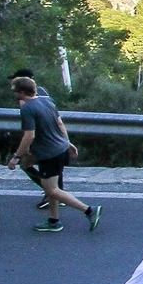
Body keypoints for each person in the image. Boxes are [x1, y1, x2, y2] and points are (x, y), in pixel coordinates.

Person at [7, 75, 101, 232]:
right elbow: (59, 123)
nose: (14, 94)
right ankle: (53, 221)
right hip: (60, 149)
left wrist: (16, 156)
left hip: (49, 154)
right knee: (49, 184)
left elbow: (29, 136)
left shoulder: (27, 109)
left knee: (51, 190)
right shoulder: (46, 100)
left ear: (22, 92)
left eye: (15, 91)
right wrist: (67, 142)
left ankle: (90, 211)